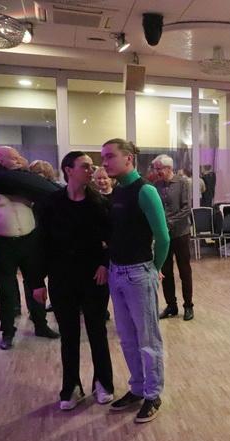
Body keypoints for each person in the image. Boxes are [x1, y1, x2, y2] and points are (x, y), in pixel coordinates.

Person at [29, 151, 114, 410]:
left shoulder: (100, 203)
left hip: (94, 277)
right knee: (69, 334)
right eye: (85, 166)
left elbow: (111, 238)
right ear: (68, 170)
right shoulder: (50, 204)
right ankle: (71, 386)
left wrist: (105, 263)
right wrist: (37, 281)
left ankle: (103, 382)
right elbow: (40, 243)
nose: (91, 171)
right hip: (61, 277)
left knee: (97, 331)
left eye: (92, 167)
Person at [101, 138, 169, 424]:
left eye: (109, 156)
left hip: (139, 273)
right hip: (117, 272)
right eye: (104, 157)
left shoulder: (145, 191)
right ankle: (138, 388)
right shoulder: (117, 190)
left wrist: (154, 269)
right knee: (127, 338)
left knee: (148, 339)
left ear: (128, 158)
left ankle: (153, 393)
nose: (104, 162)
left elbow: (163, 238)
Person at [0, 146, 60, 350]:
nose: (19, 160)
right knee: (5, 289)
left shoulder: (23, 181)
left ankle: (40, 324)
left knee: (36, 284)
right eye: (13, 158)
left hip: (29, 240)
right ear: (0, 160)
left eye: (19, 157)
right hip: (3, 242)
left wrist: (25, 170)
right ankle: (7, 331)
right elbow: (3, 180)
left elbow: (44, 191)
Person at [152, 155, 194, 321]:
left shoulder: (183, 182)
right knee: (166, 271)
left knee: (184, 271)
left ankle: (188, 306)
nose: (156, 172)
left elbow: (186, 208)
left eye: (159, 169)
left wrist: (168, 222)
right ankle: (171, 305)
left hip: (181, 234)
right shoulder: (156, 185)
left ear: (169, 168)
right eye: (155, 169)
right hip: (163, 236)